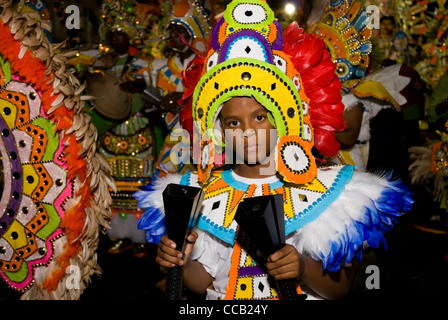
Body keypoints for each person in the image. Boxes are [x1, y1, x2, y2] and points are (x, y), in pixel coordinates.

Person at [135, 0, 413, 300]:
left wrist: (303, 268)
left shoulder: (326, 192)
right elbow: (202, 283)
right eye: (232, 122)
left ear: (284, 118)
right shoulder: (203, 195)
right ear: (218, 133)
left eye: (259, 117)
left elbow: (344, 287)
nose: (247, 131)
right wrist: (182, 262)